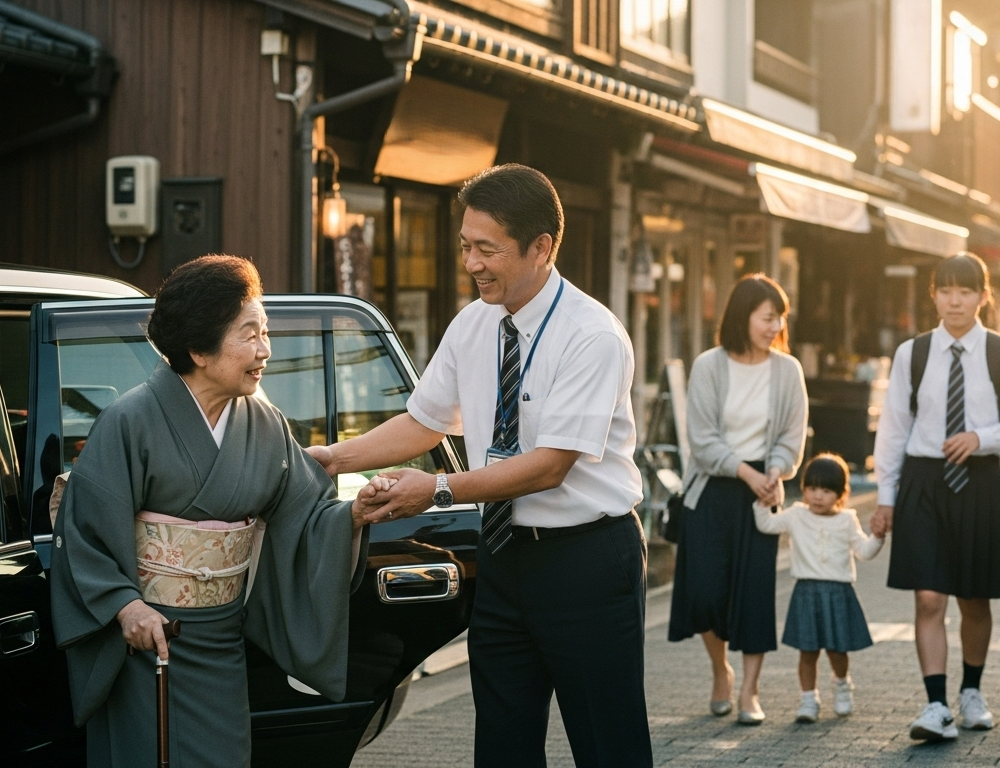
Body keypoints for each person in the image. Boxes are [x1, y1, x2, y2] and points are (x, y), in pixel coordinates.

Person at [305, 164, 651, 768]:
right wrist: (332, 459)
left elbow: (549, 467)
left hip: (588, 561)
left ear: (541, 247)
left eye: (488, 250)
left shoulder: (592, 335)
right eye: (466, 246)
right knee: (501, 742)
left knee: (608, 744)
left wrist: (437, 489)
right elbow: (424, 421)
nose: (472, 264)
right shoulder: (473, 323)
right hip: (504, 555)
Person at [49, 255, 381, 767]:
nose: (266, 350)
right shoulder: (129, 421)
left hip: (221, 643)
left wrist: (353, 515)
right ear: (199, 349)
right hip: (147, 644)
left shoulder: (265, 424)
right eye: (250, 335)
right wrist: (125, 607)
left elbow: (307, 515)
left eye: (265, 332)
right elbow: (84, 533)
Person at [870, 253, 1000, 742]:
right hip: (923, 481)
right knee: (928, 596)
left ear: (983, 296)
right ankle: (936, 705)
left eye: (965, 291)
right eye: (945, 290)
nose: (955, 301)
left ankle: (972, 692)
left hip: (980, 481)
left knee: (975, 599)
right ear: (934, 295)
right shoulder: (913, 353)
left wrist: (981, 438)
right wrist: (885, 497)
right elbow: (893, 429)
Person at [667, 274, 808, 723]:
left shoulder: (788, 370)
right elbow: (702, 440)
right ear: (742, 316)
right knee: (705, 593)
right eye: (767, 317)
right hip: (712, 490)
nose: (775, 326)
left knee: (754, 594)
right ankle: (720, 671)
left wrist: (775, 471)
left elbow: (791, 437)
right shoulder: (709, 365)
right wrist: (747, 473)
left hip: (762, 493)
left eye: (780, 317)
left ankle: (750, 690)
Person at [752, 453, 883, 723]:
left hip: (839, 593)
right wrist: (762, 504)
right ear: (804, 489)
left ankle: (842, 685)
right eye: (812, 488)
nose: (818, 496)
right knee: (807, 651)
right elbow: (767, 524)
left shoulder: (847, 520)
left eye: (826, 490)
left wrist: (878, 536)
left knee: (838, 650)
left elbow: (864, 551)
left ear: (840, 494)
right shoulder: (796, 515)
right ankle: (808, 699)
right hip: (806, 593)